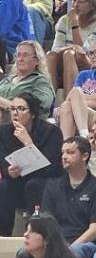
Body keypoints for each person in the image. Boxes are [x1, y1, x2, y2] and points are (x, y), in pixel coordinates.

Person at [41, 136, 96, 258]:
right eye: (63, 152)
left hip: (89, 245)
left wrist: (68, 249)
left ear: (85, 156)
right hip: (59, 243)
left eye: (70, 152)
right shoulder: (52, 186)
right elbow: (46, 224)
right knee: (25, 252)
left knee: (76, 251)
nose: (64, 156)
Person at [0, 91, 62, 236]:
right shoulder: (3, 132)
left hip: (45, 180)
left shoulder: (51, 132)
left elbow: (52, 167)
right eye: (13, 109)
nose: (15, 113)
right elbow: (2, 160)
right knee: (3, 186)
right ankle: (3, 234)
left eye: (21, 109)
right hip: (17, 180)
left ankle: (35, 231)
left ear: (32, 114)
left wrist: (28, 142)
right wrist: (8, 171)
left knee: (34, 185)